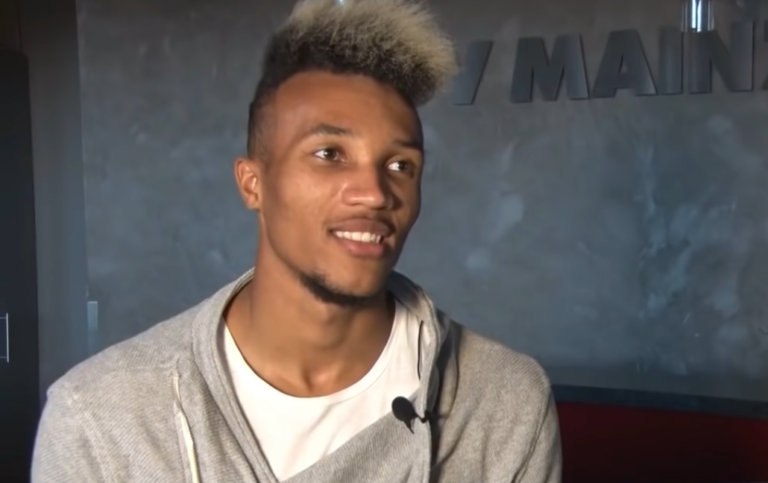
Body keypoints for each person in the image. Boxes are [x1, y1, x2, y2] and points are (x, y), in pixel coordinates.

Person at [31, 0, 562, 481]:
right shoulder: (99, 420)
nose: (374, 193)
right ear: (253, 184)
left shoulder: (503, 402)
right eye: (329, 154)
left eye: (401, 165)